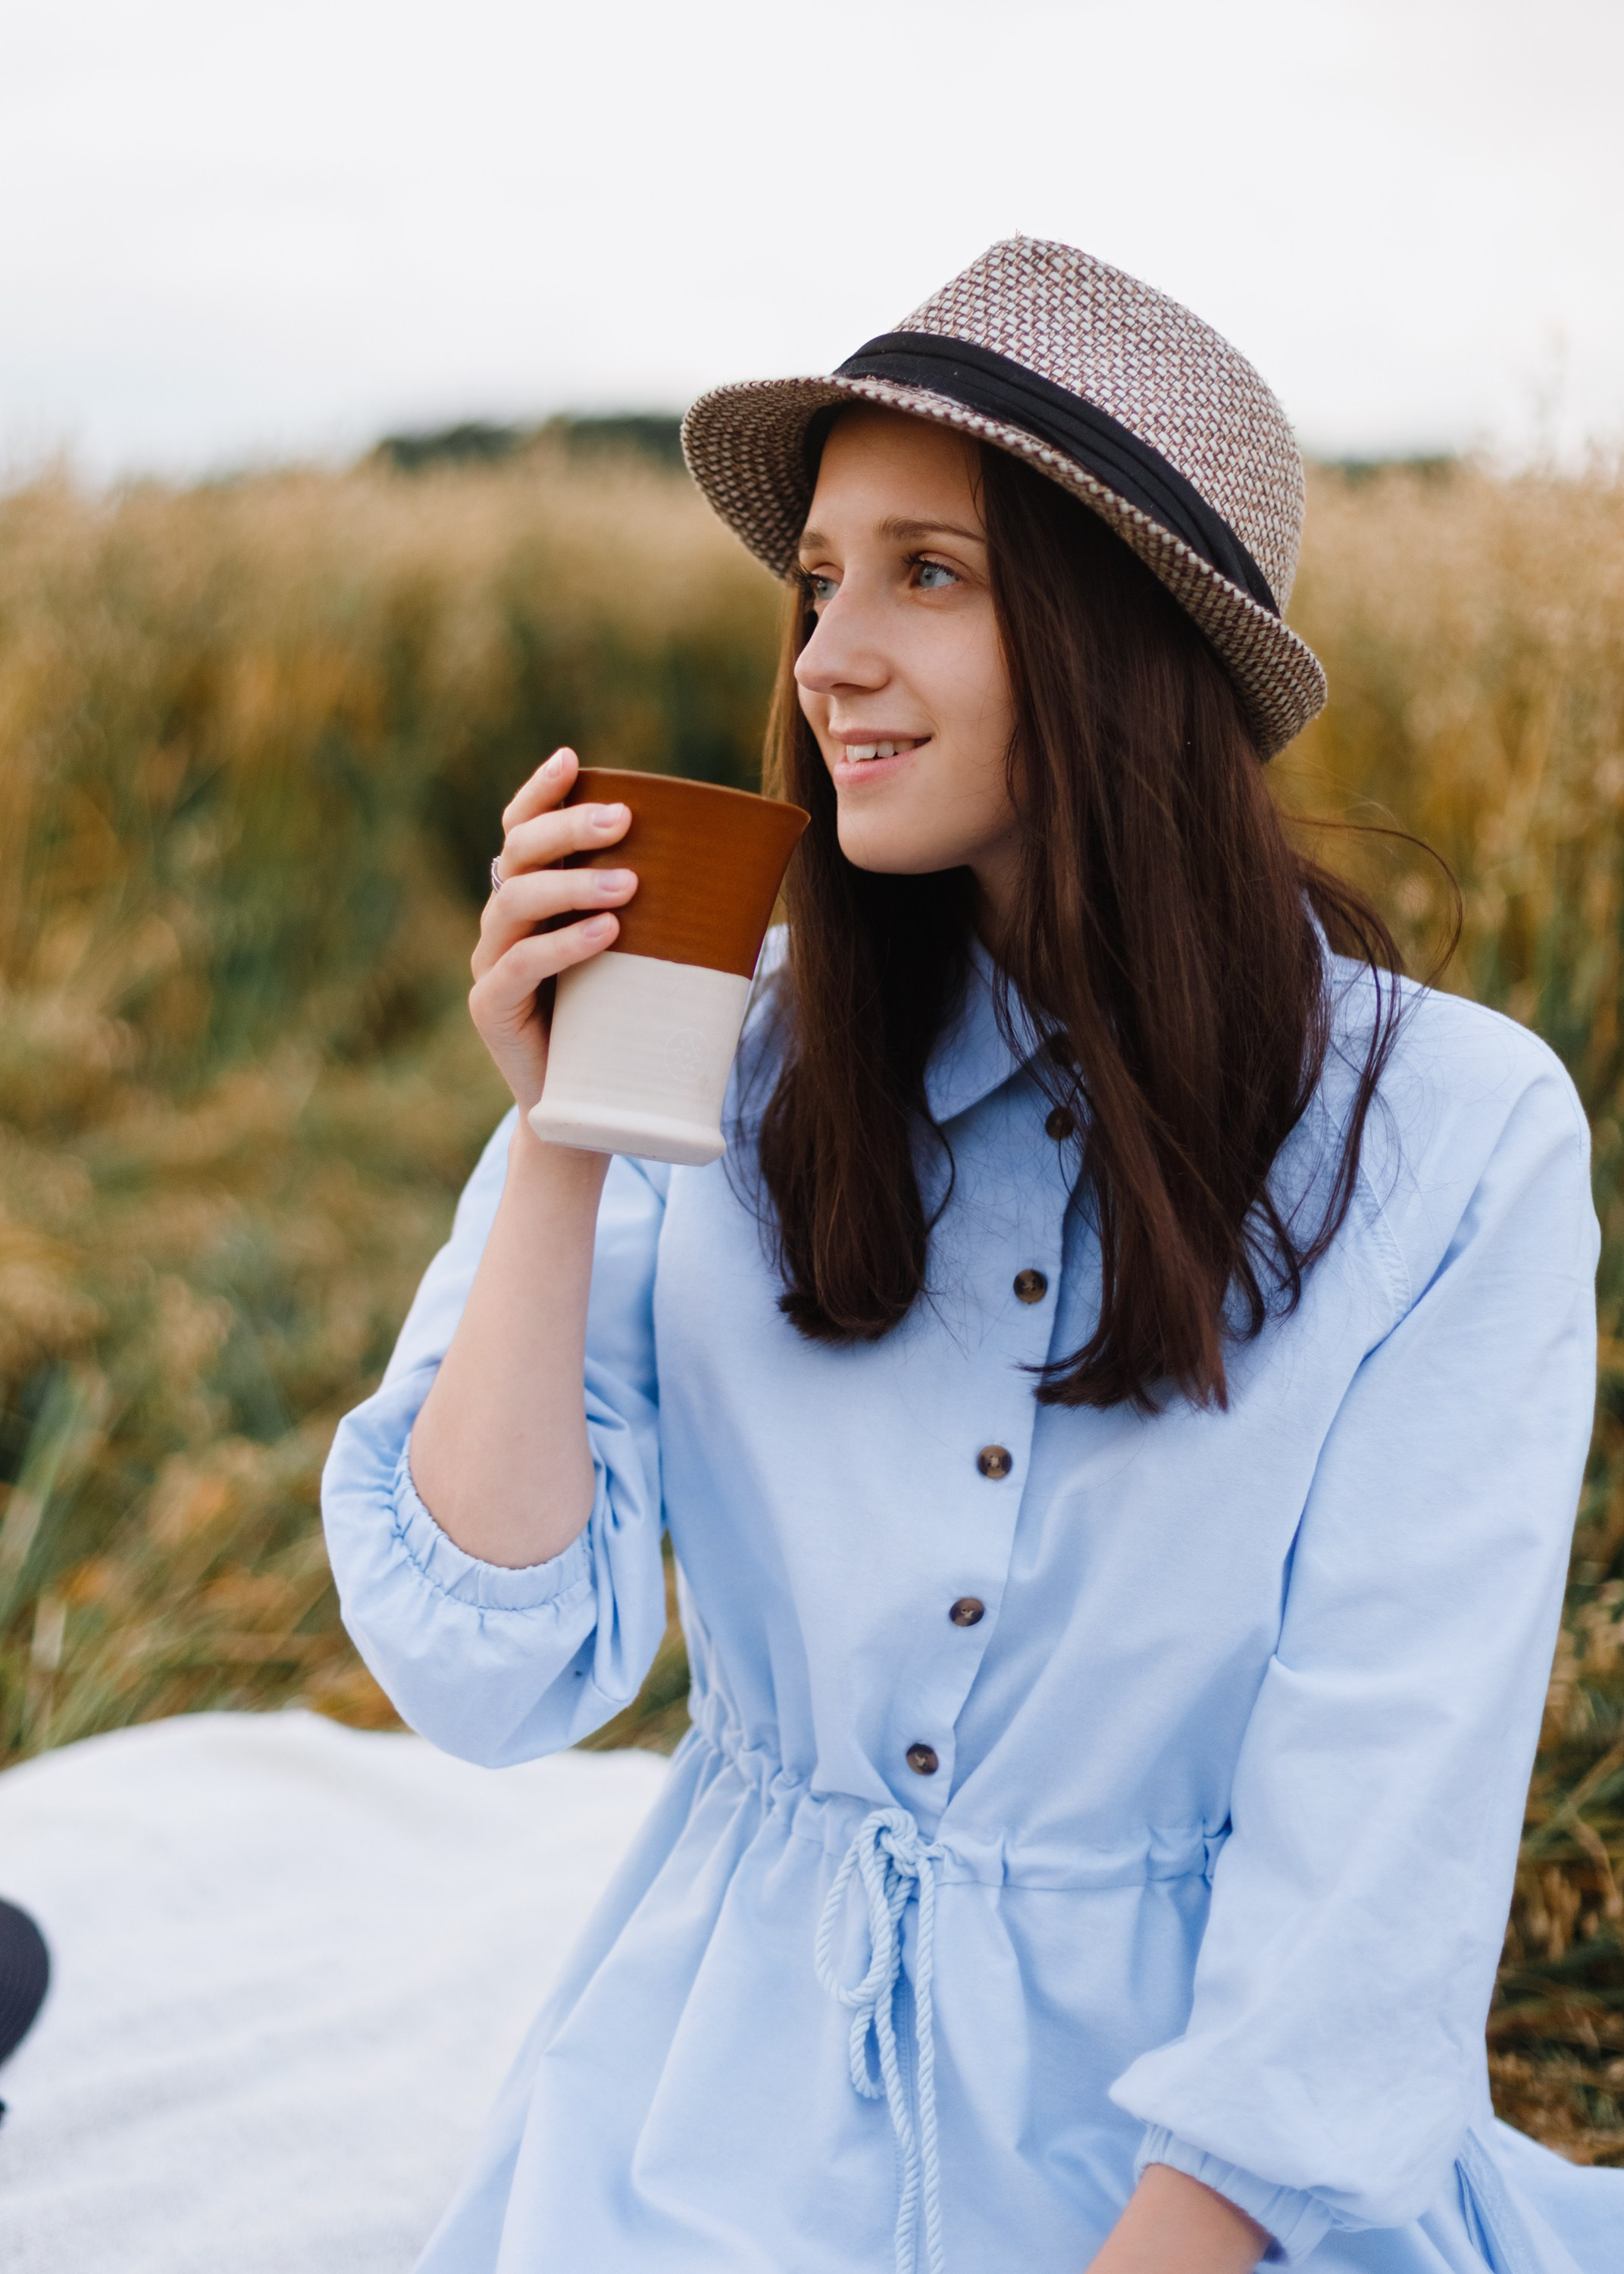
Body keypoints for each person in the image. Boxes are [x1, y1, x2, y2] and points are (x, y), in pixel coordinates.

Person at [322, 240, 1622, 2272]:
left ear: (1121, 641)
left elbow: (1376, 1850)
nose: (827, 658)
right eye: (821, 582)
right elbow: (486, 1679)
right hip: (710, 2130)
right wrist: (560, 1133)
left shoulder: (1454, 1142)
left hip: (1204, 2179)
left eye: (928, 574)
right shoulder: (723, 1056)